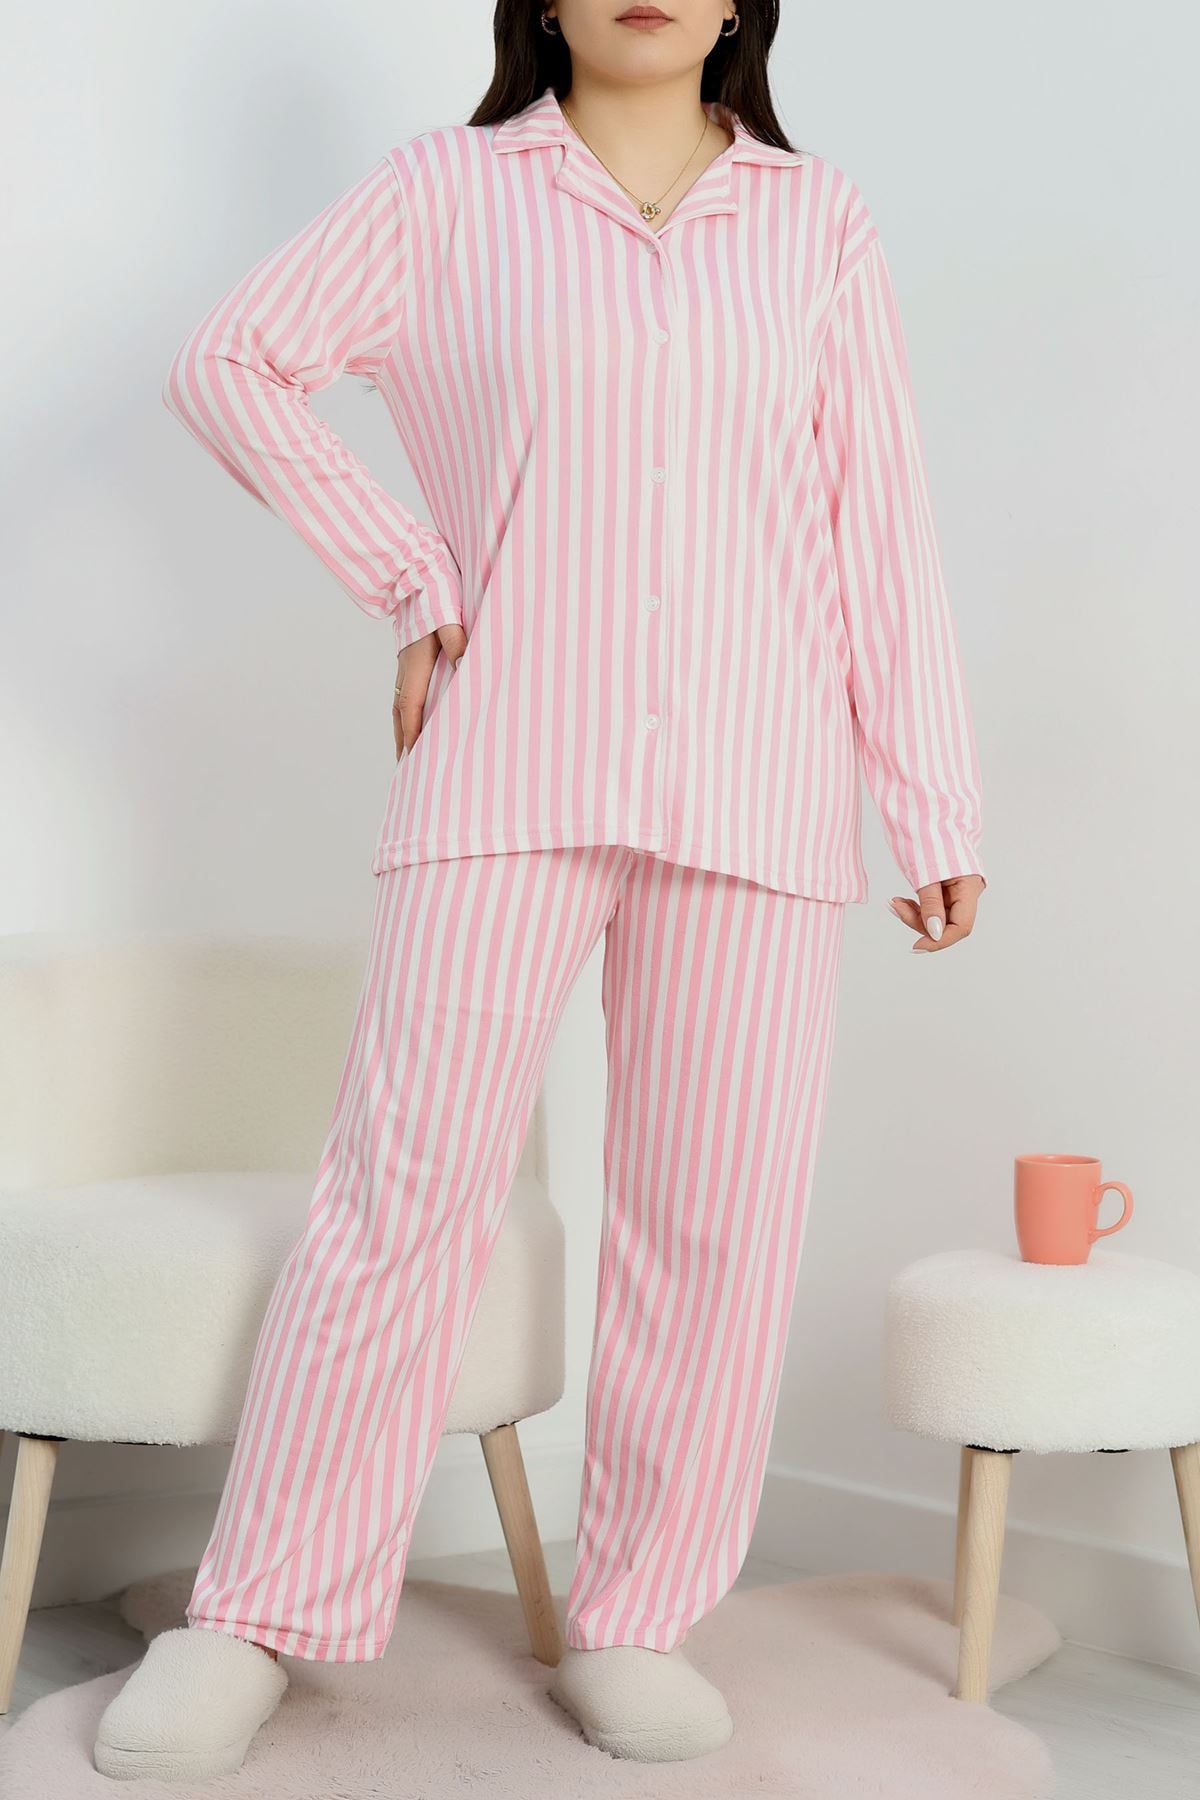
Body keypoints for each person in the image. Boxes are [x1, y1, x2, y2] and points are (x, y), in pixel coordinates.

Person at [94, 0, 987, 1780]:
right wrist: (407, 573)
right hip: (507, 754)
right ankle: (255, 1608)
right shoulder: (445, 194)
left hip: (758, 771)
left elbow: (877, 515)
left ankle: (639, 1612)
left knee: (716, 1217)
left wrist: (931, 792)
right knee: (403, 1186)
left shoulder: (816, 221)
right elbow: (231, 362)